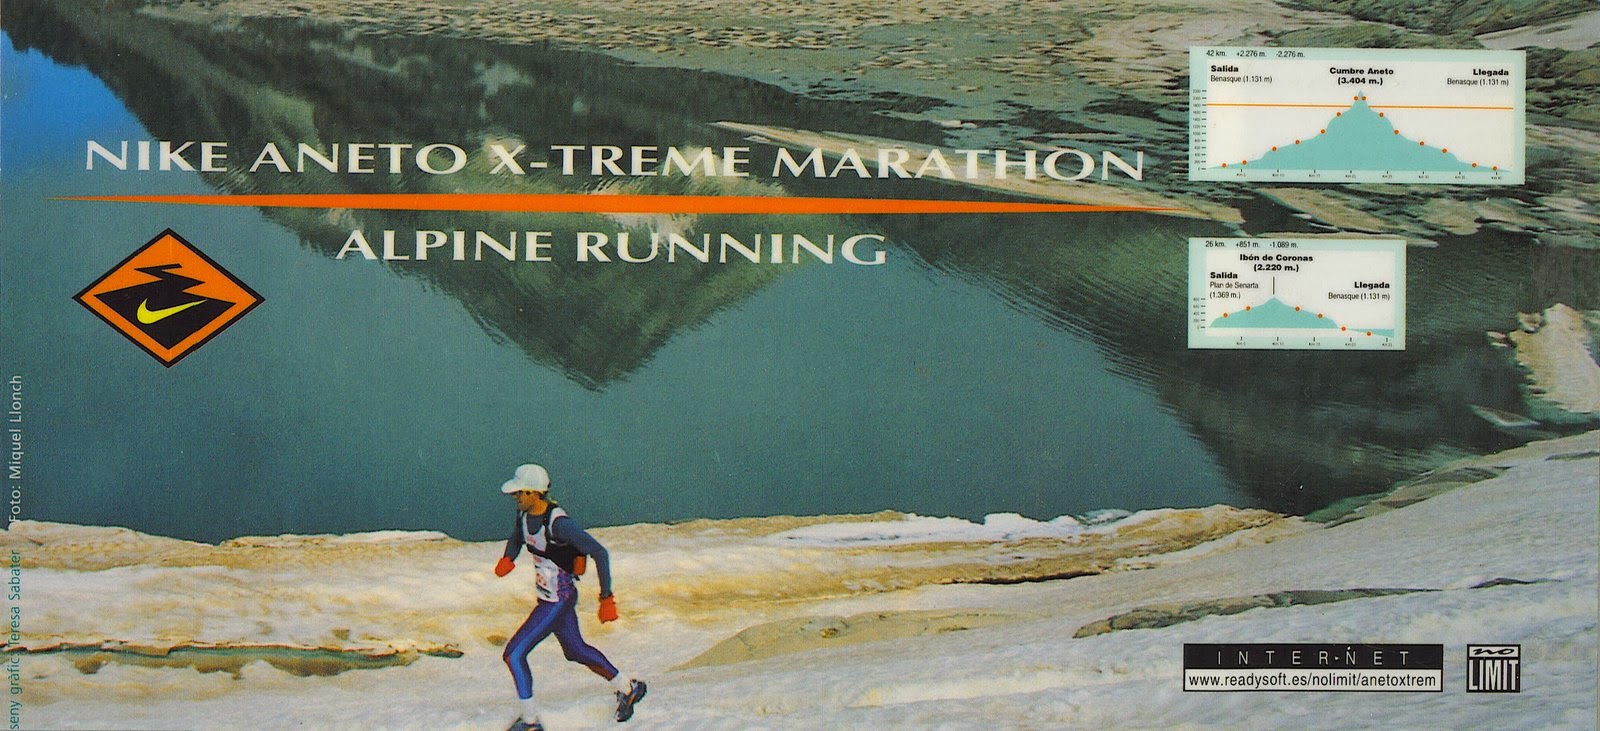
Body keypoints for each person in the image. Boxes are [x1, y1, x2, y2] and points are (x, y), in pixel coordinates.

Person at [493, 463, 647, 731]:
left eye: (519, 493)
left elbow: (600, 553)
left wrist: (606, 597)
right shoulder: (524, 516)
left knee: (514, 654)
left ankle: (530, 723)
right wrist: (509, 558)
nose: (515, 497)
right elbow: (517, 537)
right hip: (548, 599)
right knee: (575, 651)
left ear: (533, 493)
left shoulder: (559, 523)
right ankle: (628, 688)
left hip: (558, 600)